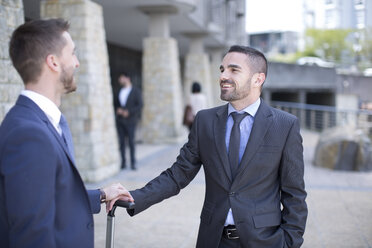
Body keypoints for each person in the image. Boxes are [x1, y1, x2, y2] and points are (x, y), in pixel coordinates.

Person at [122, 45, 308, 247]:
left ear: (258, 79)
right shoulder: (205, 121)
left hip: (265, 241)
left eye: (233, 70)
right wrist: (134, 197)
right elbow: (178, 175)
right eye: (222, 69)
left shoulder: (285, 125)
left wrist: (289, 243)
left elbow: (294, 194)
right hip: (214, 239)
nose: (223, 76)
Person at [0, 19, 133, 247]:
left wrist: (100, 194)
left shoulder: (44, 122)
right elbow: (31, 236)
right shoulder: (28, 134)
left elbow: (49, 198)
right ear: (53, 62)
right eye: (72, 53)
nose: (77, 63)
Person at [114, 72, 143, 170]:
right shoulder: (119, 91)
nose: (120, 80)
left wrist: (129, 112)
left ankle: (133, 163)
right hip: (120, 121)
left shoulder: (136, 91)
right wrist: (118, 110)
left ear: (127, 78)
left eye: (121, 78)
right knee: (121, 142)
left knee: (131, 142)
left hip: (131, 121)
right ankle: (123, 162)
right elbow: (116, 104)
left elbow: (140, 105)